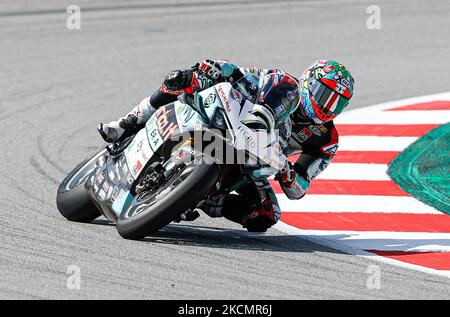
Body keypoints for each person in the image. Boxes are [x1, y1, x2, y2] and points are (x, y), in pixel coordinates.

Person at [98, 59, 354, 232]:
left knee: (267, 215)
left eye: (336, 103)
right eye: (324, 95)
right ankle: (128, 121)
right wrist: (203, 73)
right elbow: (235, 71)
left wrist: (287, 172)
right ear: (309, 81)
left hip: (254, 161)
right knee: (181, 78)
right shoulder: (282, 83)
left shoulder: (326, 140)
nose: (327, 106)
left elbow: (299, 189)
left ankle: (205, 199)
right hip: (227, 120)